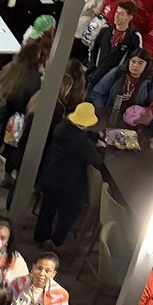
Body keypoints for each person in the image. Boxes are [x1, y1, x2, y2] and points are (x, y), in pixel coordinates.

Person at [35, 102, 107, 248]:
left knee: (47, 210)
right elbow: (96, 159)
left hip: (50, 177)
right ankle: (56, 241)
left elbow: (80, 136)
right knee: (68, 214)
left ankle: (40, 236)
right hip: (69, 186)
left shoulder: (61, 128)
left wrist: (92, 136)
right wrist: (101, 148)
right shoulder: (80, 142)